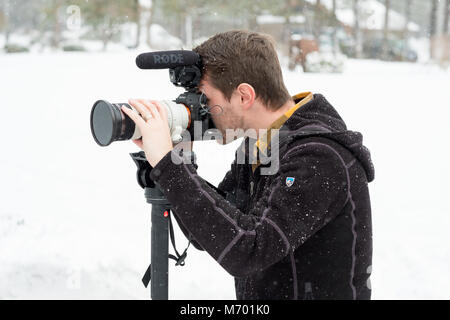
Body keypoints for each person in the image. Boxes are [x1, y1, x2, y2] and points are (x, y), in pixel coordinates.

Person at [121, 30, 375, 300]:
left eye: (205, 99)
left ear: (244, 95)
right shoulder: (257, 144)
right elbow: (215, 230)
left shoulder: (318, 157)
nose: (199, 110)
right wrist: (177, 161)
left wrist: (170, 168)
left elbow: (248, 250)